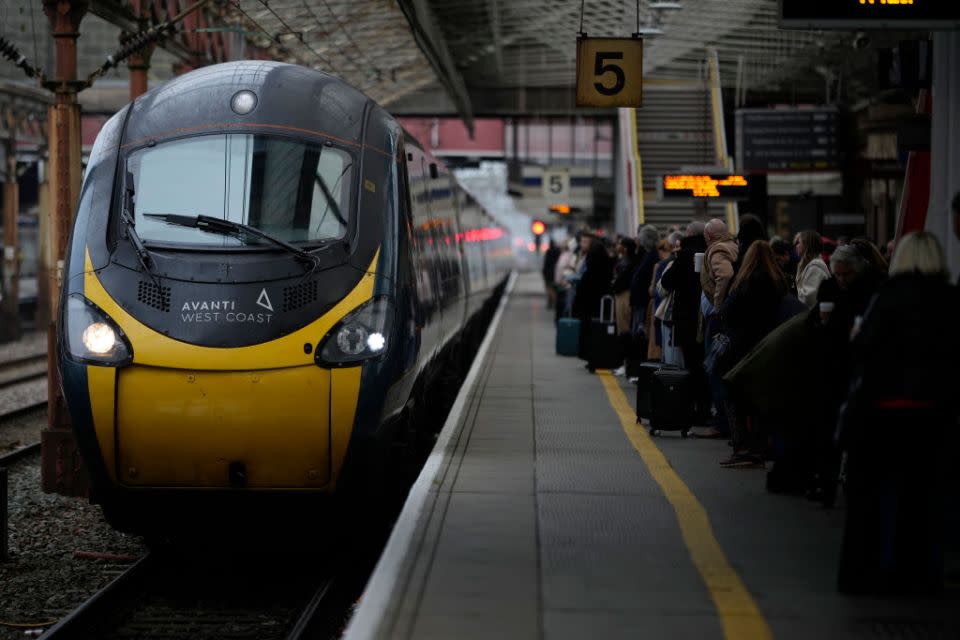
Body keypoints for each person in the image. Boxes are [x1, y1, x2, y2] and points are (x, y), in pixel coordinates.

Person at [836, 231, 960, 594]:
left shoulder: (886, 298)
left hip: (882, 412)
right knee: (927, 496)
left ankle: (874, 571)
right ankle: (922, 573)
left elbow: (862, 348)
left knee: (876, 496)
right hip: (935, 414)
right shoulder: (952, 300)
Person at [716, 241, 788, 466]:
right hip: (769, 344)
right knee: (759, 400)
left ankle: (743, 447)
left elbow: (729, 312)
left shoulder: (748, 281)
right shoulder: (779, 281)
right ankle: (761, 446)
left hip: (743, 346)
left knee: (734, 395)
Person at [660, 221, 709, 413]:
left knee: (692, 365)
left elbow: (667, 281)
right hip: (709, 317)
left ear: (688, 234)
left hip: (687, 318)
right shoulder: (711, 252)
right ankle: (706, 407)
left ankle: (696, 408)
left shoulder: (686, 254)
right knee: (705, 365)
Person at [573, 233, 613, 360]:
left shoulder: (590, 271)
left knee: (587, 330)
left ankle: (587, 354)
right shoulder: (605, 264)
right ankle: (594, 354)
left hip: (587, 305)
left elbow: (582, 288)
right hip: (598, 304)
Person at [794, 230, 830, 307]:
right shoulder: (809, 265)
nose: (796, 246)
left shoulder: (815, 267)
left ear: (807, 245)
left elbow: (808, 298)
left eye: (799, 242)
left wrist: (795, 293)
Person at [542, 239, 561, 310]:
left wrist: (544, 273)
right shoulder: (558, 252)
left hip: (548, 273)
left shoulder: (548, 252)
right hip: (555, 272)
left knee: (549, 288)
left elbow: (546, 263)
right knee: (554, 289)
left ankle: (551, 303)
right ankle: (554, 303)